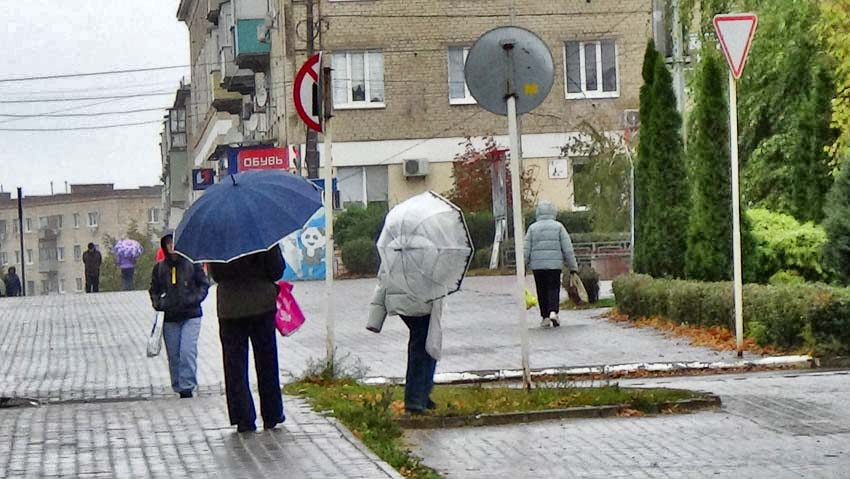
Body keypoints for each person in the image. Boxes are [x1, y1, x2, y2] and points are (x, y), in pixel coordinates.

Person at [209, 245, 286, 433]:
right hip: (261, 306)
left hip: (230, 309)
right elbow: (276, 270)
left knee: (234, 365)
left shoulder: (217, 239)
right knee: (267, 361)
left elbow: (216, 276)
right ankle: (272, 414)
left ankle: (242, 417)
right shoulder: (261, 235)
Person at [367, 264, 445, 415]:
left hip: (399, 302)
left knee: (424, 343)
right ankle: (415, 401)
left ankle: (422, 395)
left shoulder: (393, 246)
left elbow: (383, 278)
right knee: (423, 347)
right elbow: (438, 274)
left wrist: (375, 318)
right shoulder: (428, 246)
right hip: (422, 302)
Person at [149, 232, 209, 399]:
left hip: (191, 314)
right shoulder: (160, 268)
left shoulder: (192, 263)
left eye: (174, 243)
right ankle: (178, 385)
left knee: (187, 351)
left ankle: (187, 386)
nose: (171, 247)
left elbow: (204, 285)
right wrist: (159, 304)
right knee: (174, 354)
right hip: (170, 317)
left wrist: (194, 299)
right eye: (168, 244)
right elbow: (154, 289)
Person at [524, 200, 578, 328]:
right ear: (553, 212)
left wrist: (522, 267)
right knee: (553, 288)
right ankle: (554, 312)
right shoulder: (559, 227)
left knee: (541, 290)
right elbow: (567, 248)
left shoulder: (532, 228)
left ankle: (545, 317)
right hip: (554, 265)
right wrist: (573, 267)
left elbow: (526, 249)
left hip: (538, 266)